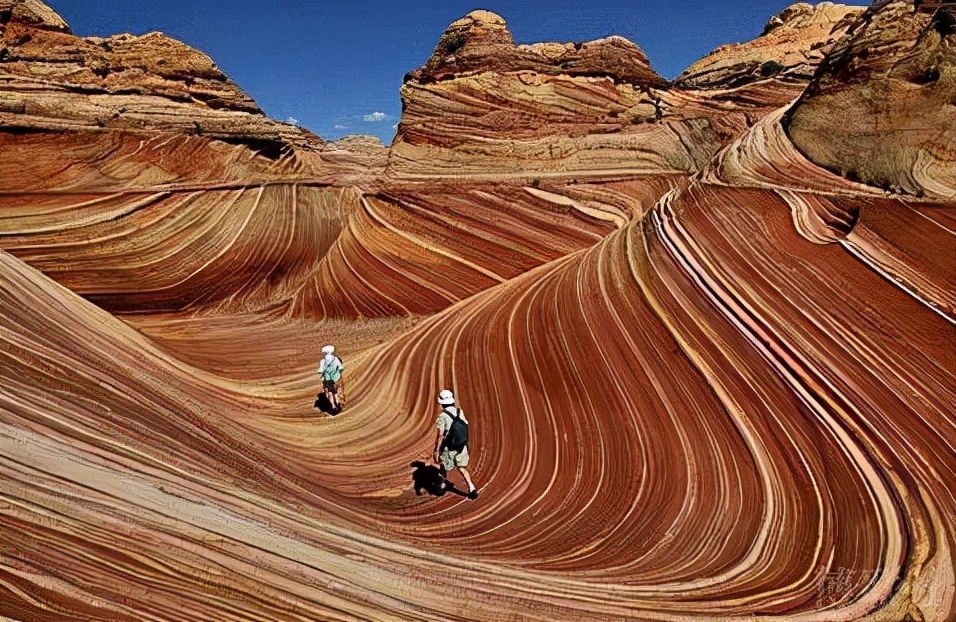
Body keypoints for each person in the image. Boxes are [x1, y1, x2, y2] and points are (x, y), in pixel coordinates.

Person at [433, 389, 478, 499]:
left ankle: (442, 484)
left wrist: (436, 450)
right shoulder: (460, 412)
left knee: (441, 463)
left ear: (442, 403)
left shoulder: (442, 417)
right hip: (461, 445)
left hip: (450, 447)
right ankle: (471, 487)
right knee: (462, 468)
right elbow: (465, 426)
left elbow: (440, 436)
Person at [318, 345, 344, 413]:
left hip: (327, 379)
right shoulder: (336, 359)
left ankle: (333, 406)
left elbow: (320, 371)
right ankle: (338, 403)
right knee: (335, 392)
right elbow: (341, 368)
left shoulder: (323, 361)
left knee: (329, 393)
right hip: (335, 378)